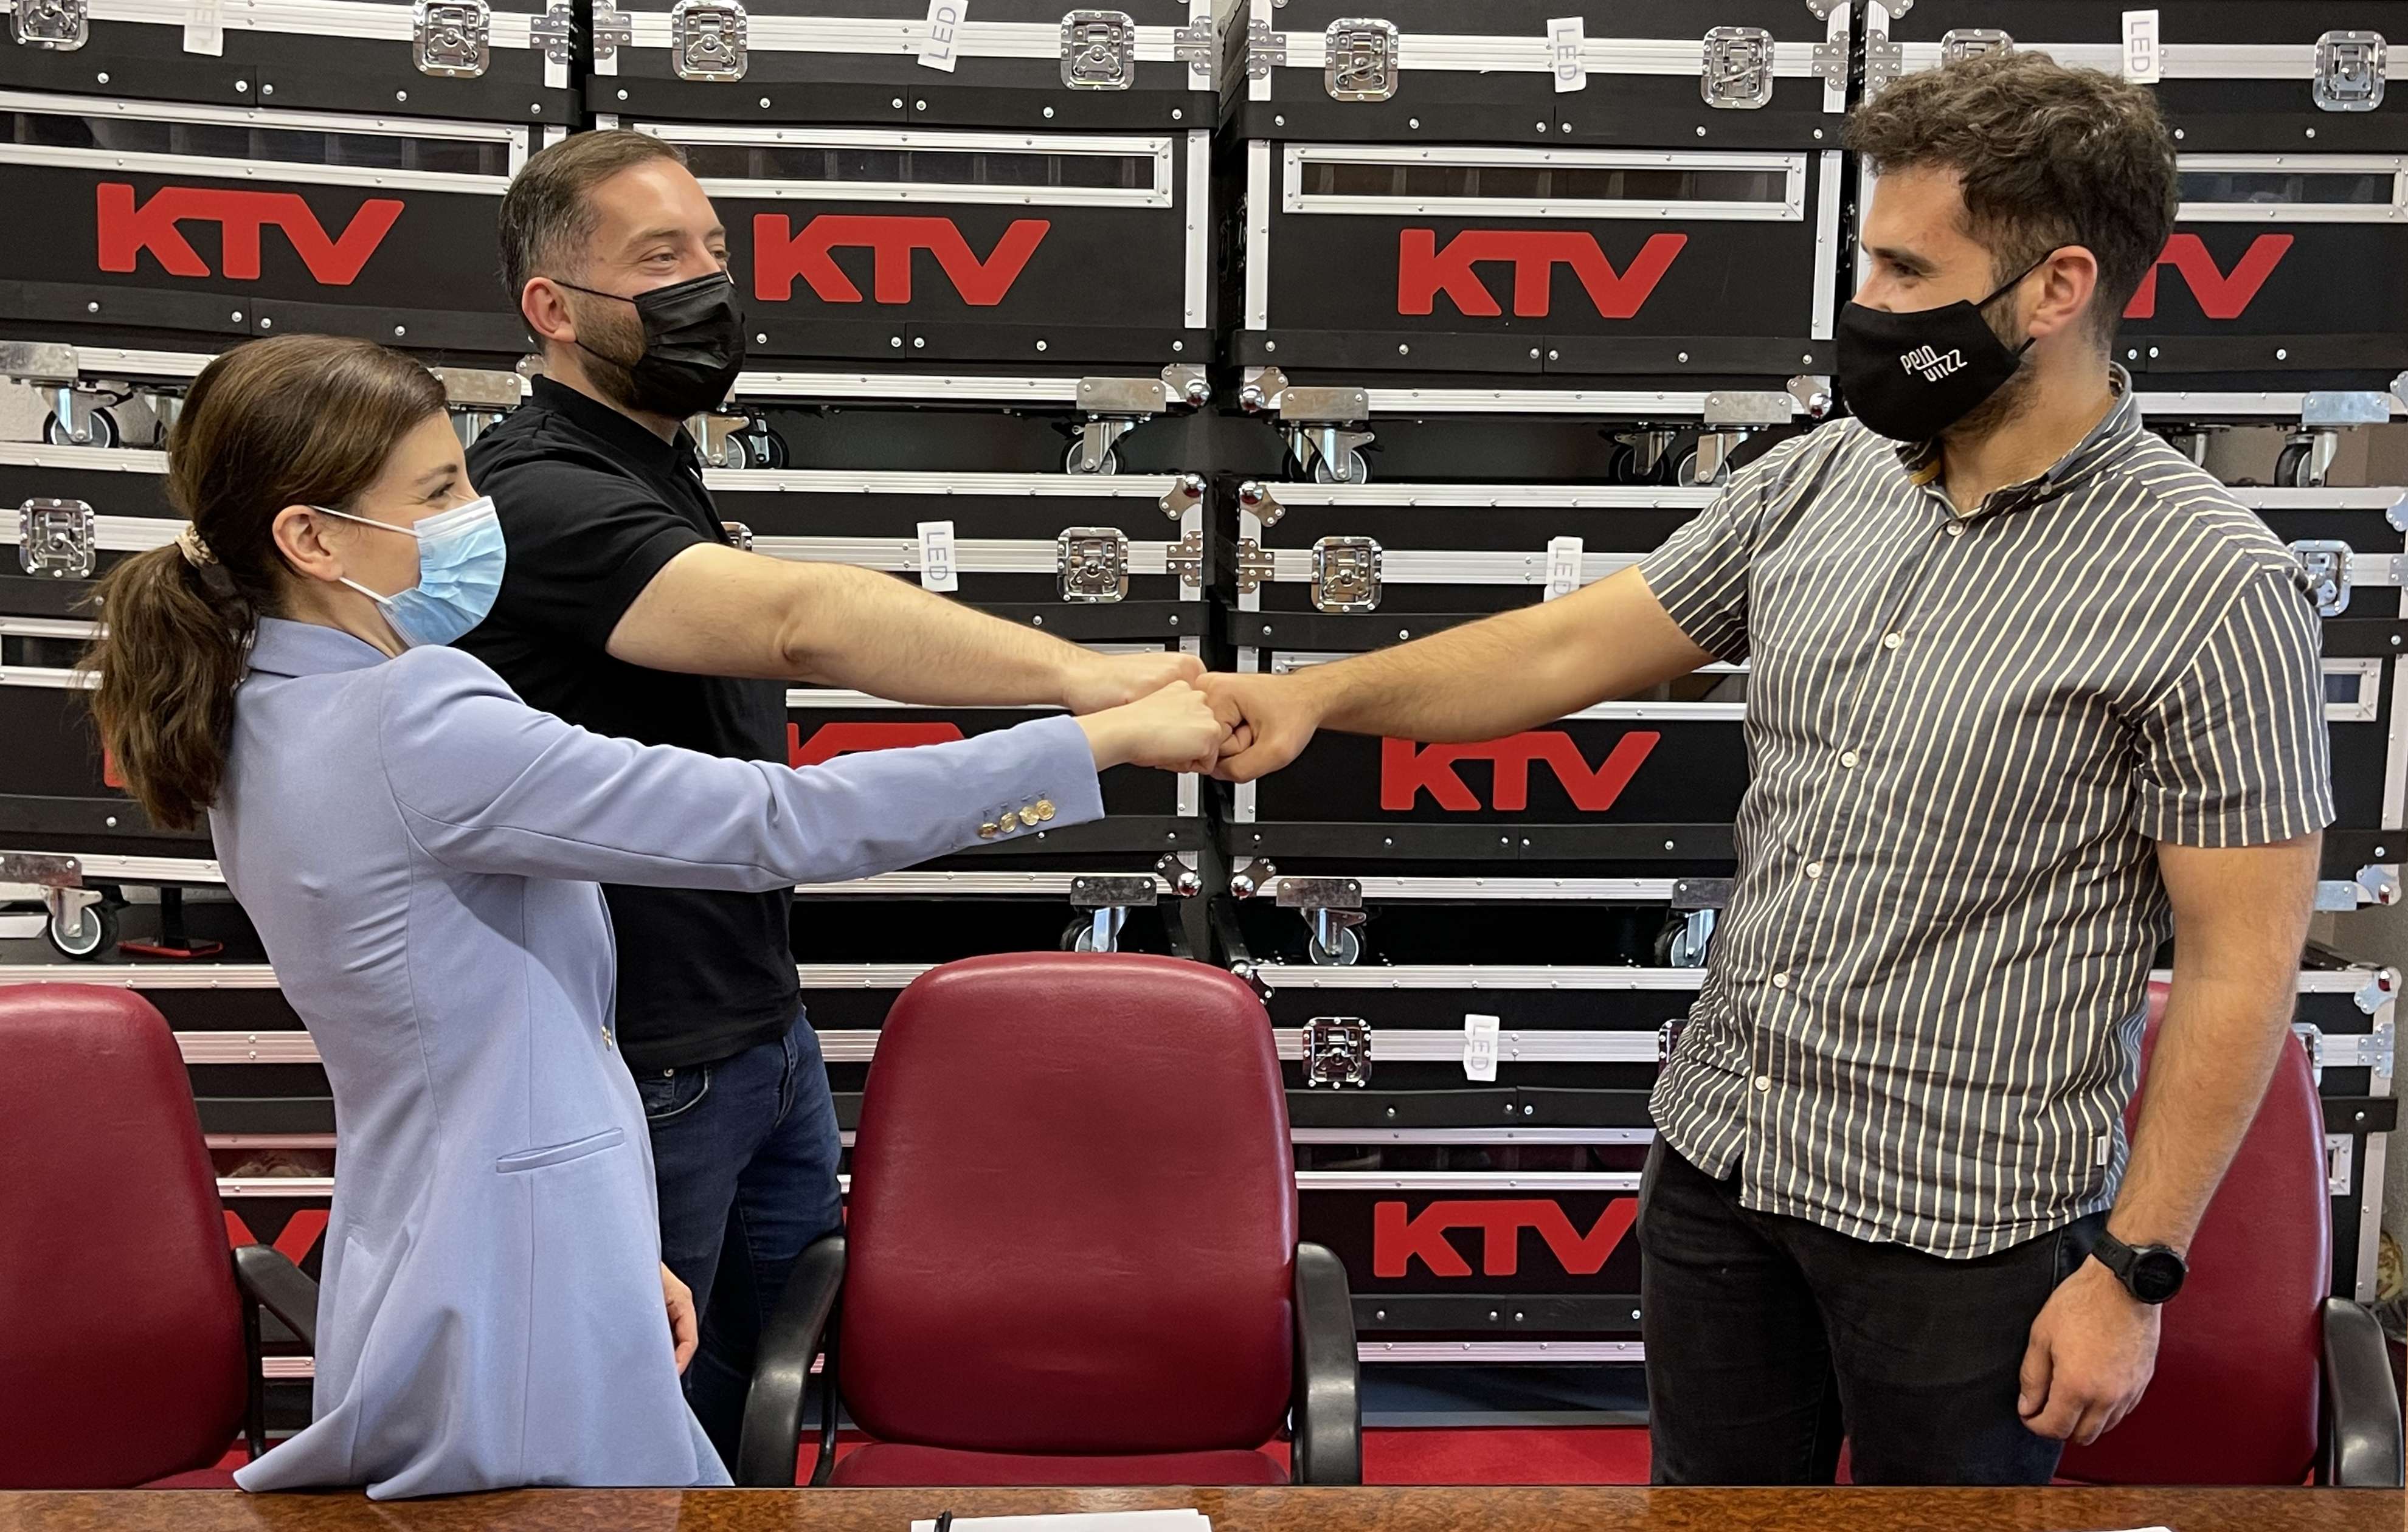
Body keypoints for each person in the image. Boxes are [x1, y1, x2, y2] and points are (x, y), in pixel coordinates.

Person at [1202, 53, 2330, 1485]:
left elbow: (2240, 969)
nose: (1868, 305)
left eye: (1905, 270)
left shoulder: (2216, 585)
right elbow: (1568, 649)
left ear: (2056, 289)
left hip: (1966, 1231)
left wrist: (2134, 1269)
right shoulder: (1821, 479)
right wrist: (1314, 697)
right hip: (1725, 1165)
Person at [81, 334, 1225, 1499]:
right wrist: (1095, 742)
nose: (477, 512)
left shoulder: (253, 710)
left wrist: (613, 1235)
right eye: (438, 491)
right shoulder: (412, 715)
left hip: (440, 1241)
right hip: (521, 1266)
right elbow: (775, 822)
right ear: (311, 539)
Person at [455, 129, 1204, 1458]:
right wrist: (1097, 688)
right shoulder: (539, 495)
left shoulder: (651, 462)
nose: (707, 286)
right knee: (637, 1435)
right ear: (553, 309)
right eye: (659, 260)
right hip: (642, 1063)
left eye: (714, 250)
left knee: (770, 1404)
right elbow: (803, 626)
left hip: (757, 1029)